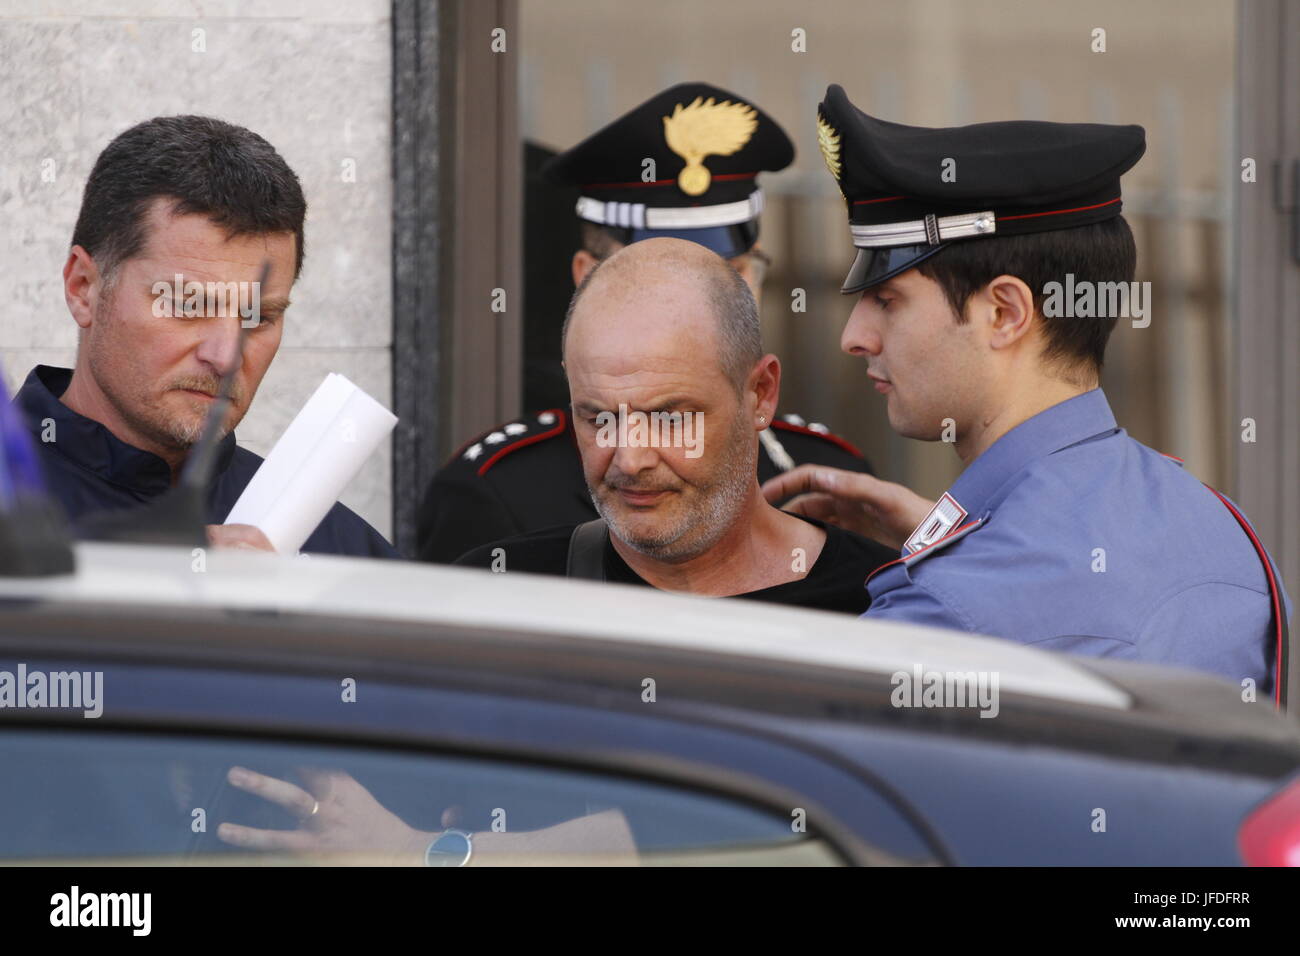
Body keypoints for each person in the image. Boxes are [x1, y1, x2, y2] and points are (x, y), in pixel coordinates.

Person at [763, 85, 1290, 699]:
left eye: (887, 300)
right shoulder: (1225, 529)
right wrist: (947, 545)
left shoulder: (941, 617)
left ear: (1006, 312)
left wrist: (952, 569)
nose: (856, 337)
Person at [416, 83, 872, 564]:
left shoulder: (826, 472)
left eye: (732, 277)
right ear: (584, 278)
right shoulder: (498, 496)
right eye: (656, 279)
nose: (704, 305)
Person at [13, 115, 397, 558]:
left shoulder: (336, 547)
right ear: (84, 288)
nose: (226, 357)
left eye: (259, 317)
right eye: (187, 305)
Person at [456, 238, 894, 614]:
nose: (629, 459)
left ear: (760, 392)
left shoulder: (886, 601)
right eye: (597, 419)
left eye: (669, 419)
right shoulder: (496, 597)